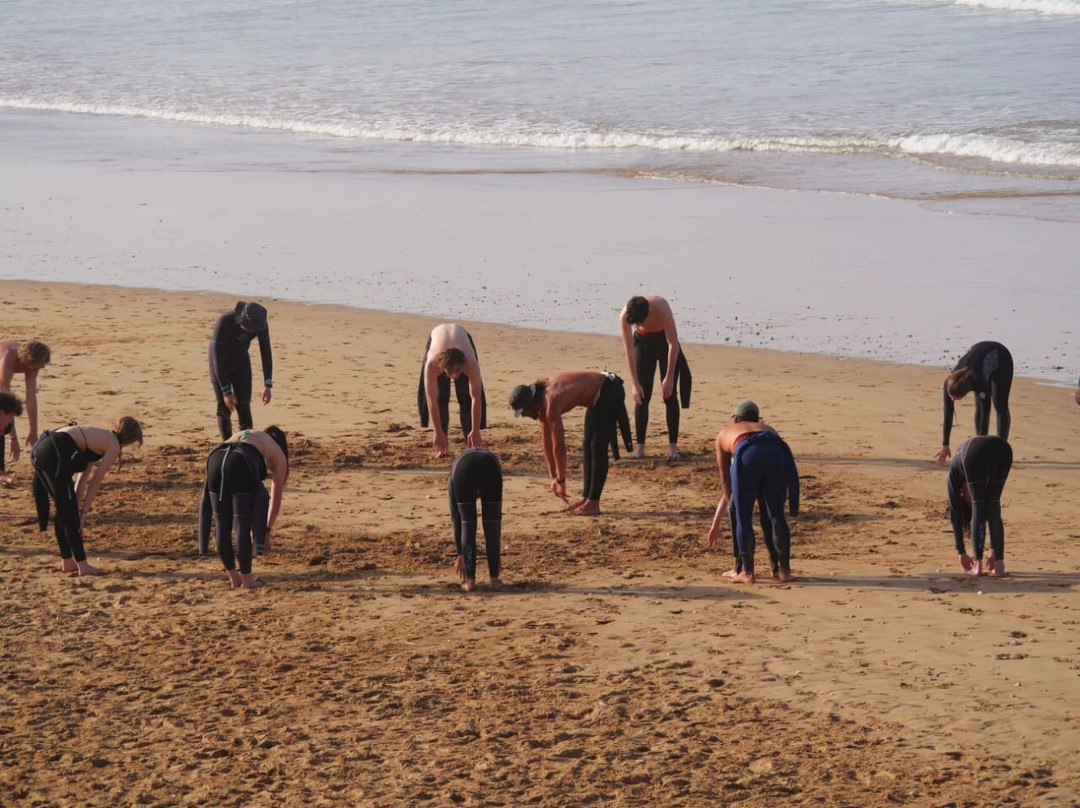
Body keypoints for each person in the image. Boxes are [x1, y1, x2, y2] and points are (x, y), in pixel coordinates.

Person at [30, 417, 144, 576]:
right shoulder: (113, 446)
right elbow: (95, 483)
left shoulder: (98, 437)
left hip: (41, 448)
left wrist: (76, 509)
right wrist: (82, 516)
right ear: (131, 440)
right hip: (55, 451)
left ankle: (68, 562)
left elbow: (82, 480)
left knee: (65, 510)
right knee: (69, 515)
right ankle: (83, 566)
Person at [509, 371, 631, 516]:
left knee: (597, 447)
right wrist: (552, 477)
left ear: (532, 404)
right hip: (597, 397)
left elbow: (559, 446)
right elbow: (546, 443)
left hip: (608, 389)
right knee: (587, 447)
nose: (524, 416)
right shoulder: (540, 406)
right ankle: (587, 498)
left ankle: (593, 503)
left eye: (524, 412)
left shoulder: (550, 403)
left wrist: (561, 479)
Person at [707, 401, 799, 583]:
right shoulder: (768, 428)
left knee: (743, 516)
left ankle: (746, 572)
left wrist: (731, 503)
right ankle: (782, 571)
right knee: (776, 514)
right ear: (757, 419)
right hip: (776, 452)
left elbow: (725, 478)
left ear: (735, 419)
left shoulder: (725, 433)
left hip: (747, 453)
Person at [200, 427, 288, 589]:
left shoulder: (250, 434)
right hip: (240, 461)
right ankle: (247, 581)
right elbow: (275, 501)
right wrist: (265, 530)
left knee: (221, 525)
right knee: (242, 524)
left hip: (215, 457)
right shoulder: (279, 453)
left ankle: (234, 579)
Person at [619, 295, 692, 460]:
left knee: (669, 395)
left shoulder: (661, 308)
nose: (639, 324)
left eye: (641, 321)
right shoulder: (625, 314)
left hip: (665, 343)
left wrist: (669, 377)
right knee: (641, 396)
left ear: (648, 313)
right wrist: (634, 383)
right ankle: (640, 448)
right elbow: (629, 350)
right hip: (643, 345)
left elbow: (673, 343)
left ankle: (672, 447)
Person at [935, 341, 1012, 466]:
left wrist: (982, 443)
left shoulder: (979, 382)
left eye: (955, 398)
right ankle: (982, 447)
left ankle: (1002, 450)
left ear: (965, 392)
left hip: (1001, 359)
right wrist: (945, 444)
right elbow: (948, 412)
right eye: (951, 397)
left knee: (1000, 406)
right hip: (978, 355)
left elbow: (985, 412)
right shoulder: (949, 381)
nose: (952, 400)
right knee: (978, 407)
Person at [417, 324, 486, 456]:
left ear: (462, 365)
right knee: (441, 398)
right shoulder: (432, 364)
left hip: (462, 337)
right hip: (436, 337)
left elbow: (476, 398)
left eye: (458, 371)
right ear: (442, 368)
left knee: (465, 397)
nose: (454, 376)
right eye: (450, 372)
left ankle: (471, 445)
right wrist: (438, 431)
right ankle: (442, 447)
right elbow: (431, 399)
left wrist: (476, 430)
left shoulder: (470, 362)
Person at [947, 435, 1012, 577]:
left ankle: (978, 566)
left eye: (968, 499)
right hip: (1002, 449)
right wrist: (962, 553)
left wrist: (961, 552)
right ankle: (999, 565)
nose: (971, 497)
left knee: (981, 505)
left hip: (981, 450)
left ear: (961, 493)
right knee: (991, 504)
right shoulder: (971, 477)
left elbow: (955, 513)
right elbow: (991, 513)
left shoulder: (954, 475)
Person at [209, 302, 274, 441]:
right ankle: (227, 444)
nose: (251, 331)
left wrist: (268, 384)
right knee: (224, 408)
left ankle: (246, 445)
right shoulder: (225, 323)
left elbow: (266, 351)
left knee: (244, 405)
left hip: (241, 362)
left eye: (254, 329)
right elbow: (217, 358)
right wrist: (226, 391)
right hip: (220, 364)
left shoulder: (260, 324)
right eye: (249, 328)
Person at [447, 448, 503, 592]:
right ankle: (494, 580)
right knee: (491, 523)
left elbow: (456, 517)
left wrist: (461, 553)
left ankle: (470, 582)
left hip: (463, 470)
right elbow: (496, 522)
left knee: (467, 523)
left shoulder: (453, 475)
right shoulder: (491, 461)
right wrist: (495, 556)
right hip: (491, 467)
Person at [0, 340, 51, 485]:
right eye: (41, 364)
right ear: (30, 362)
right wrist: (13, 438)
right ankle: (1, 472)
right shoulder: (7, 361)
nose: (43, 366)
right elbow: (5, 402)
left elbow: (31, 398)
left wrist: (33, 431)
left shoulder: (31, 365)